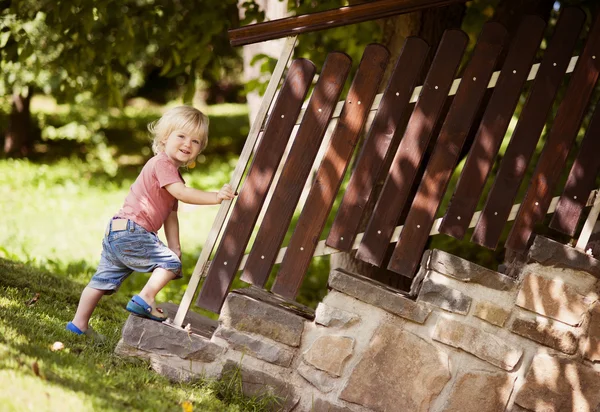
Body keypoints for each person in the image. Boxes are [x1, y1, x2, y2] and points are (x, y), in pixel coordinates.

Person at [67, 106, 235, 338]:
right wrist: (216, 197)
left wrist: (175, 246)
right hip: (134, 230)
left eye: (195, 141)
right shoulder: (162, 164)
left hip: (118, 229)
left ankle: (78, 325)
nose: (188, 144)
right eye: (182, 136)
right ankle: (145, 297)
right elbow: (182, 193)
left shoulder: (172, 173)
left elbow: (170, 214)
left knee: (102, 280)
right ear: (165, 138)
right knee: (170, 264)